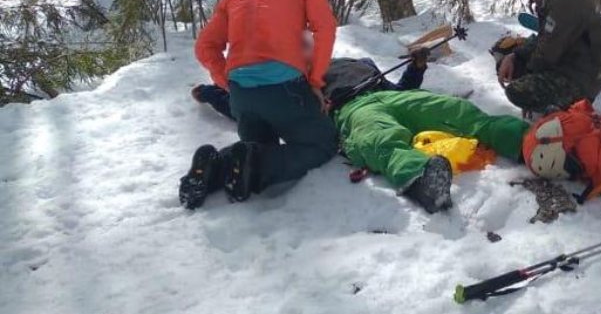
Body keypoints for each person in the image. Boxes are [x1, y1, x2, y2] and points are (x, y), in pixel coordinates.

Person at [188, 53, 529, 214]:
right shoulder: (296, 81)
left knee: (459, 112)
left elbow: (400, 86)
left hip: (393, 95)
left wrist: (417, 67)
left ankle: (527, 141)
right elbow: (258, 106)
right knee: (379, 137)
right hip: (353, 111)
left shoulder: (362, 62)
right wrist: (210, 93)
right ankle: (420, 176)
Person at [183, 0, 338, 206]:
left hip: (242, 94)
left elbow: (205, 46)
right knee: (323, 144)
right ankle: (254, 168)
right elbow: (325, 29)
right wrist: (315, 81)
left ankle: (214, 169)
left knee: (258, 147)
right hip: (285, 87)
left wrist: (227, 83)